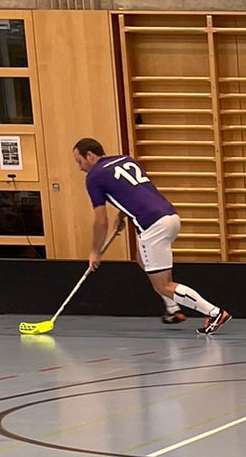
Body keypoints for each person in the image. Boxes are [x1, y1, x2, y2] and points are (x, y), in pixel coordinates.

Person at [73, 139, 230, 335]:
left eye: (79, 161)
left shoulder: (94, 176)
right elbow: (134, 192)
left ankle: (214, 313)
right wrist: (122, 215)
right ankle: (172, 309)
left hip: (153, 227)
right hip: (170, 217)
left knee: (163, 285)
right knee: (143, 259)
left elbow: (100, 221)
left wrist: (95, 251)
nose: (80, 168)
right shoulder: (125, 160)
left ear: (90, 156)